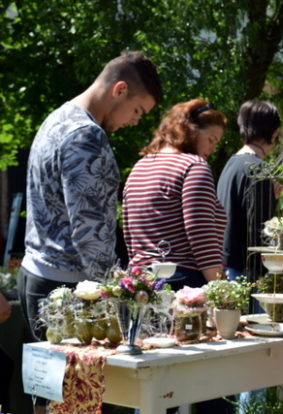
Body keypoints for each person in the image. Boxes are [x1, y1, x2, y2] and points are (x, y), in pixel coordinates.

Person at [18, 49, 162, 414]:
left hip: (37, 276)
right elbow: (91, 235)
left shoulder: (58, 118)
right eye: (137, 111)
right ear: (119, 89)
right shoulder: (87, 136)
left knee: (51, 403)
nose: (135, 122)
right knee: (88, 404)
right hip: (69, 294)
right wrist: (122, 298)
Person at [123, 99, 227, 290]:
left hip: (139, 284)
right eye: (212, 140)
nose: (213, 149)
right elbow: (201, 233)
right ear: (190, 129)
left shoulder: (140, 167)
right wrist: (220, 289)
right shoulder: (194, 166)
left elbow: (129, 233)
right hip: (183, 284)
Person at [217, 100, 281, 283]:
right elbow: (259, 228)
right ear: (274, 133)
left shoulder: (230, 164)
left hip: (225, 266)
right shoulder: (259, 170)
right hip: (247, 271)